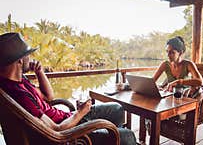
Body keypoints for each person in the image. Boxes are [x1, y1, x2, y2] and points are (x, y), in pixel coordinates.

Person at [0, 32, 136, 145]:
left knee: (117, 109)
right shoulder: (19, 94)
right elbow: (56, 129)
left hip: (68, 119)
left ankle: (107, 137)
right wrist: (80, 113)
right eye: (27, 54)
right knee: (127, 136)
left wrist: (39, 72)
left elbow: (48, 97)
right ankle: (108, 136)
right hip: (66, 134)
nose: (30, 58)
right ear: (19, 60)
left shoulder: (19, 81)